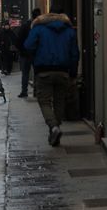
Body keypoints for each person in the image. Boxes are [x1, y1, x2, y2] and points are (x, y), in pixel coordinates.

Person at [24, 9, 80, 146]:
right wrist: (73, 73)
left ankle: (53, 127)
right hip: (63, 71)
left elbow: (28, 46)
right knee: (59, 101)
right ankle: (56, 129)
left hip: (43, 71)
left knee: (44, 101)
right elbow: (75, 54)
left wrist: (36, 56)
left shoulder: (39, 28)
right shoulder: (69, 30)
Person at [16, 7, 41, 97]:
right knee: (37, 73)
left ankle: (24, 91)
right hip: (37, 54)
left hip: (25, 54)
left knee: (25, 73)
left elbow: (18, 40)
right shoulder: (41, 26)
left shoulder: (25, 25)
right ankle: (36, 92)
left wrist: (22, 50)